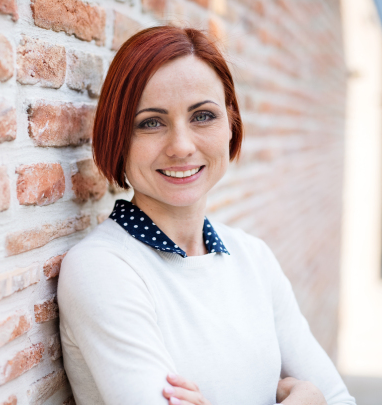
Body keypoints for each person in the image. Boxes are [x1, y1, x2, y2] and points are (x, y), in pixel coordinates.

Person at [57, 26, 356, 405]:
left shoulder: (253, 258)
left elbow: (339, 398)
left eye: (202, 116)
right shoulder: (102, 270)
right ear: (119, 135)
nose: (181, 146)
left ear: (230, 124)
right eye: (151, 122)